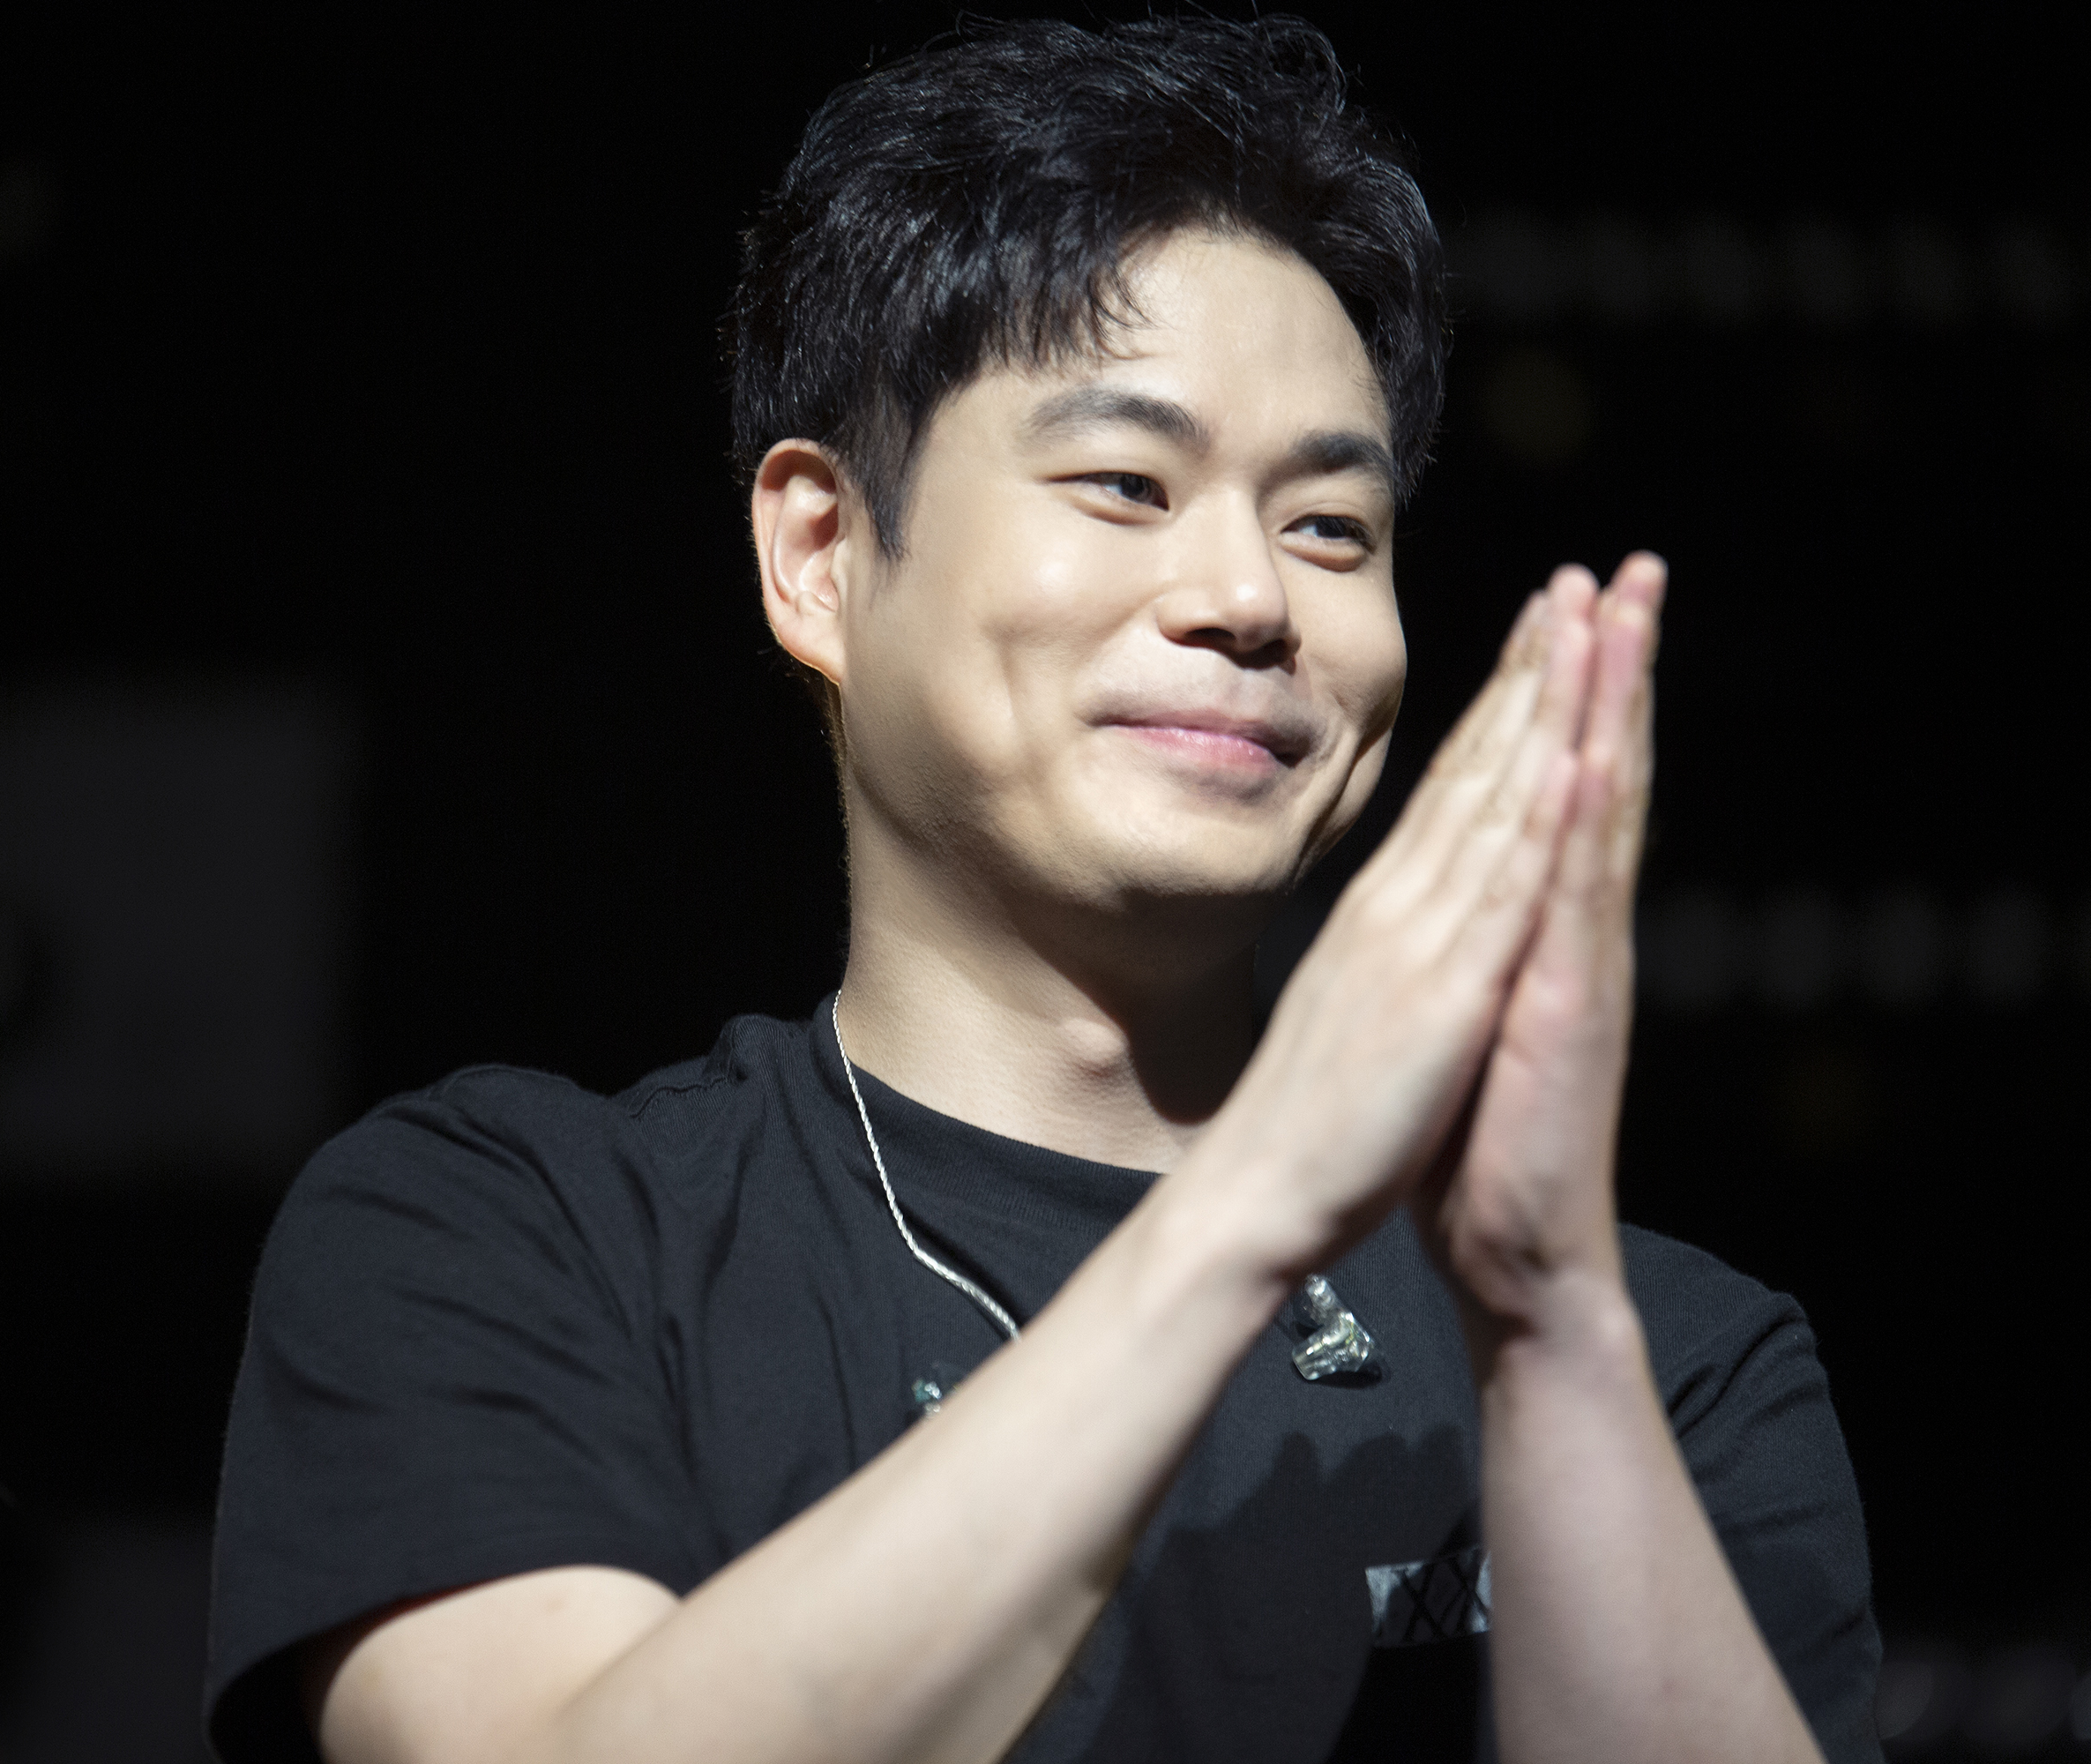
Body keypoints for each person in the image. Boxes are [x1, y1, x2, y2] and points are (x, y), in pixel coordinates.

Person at [205, 16, 1880, 1763]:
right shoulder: (517, 1237)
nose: (1250, 596)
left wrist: (1548, 1339)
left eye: (1331, 525)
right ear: (820, 552)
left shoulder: (1661, 1356)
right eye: (1126, 485)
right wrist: (1250, 1200)